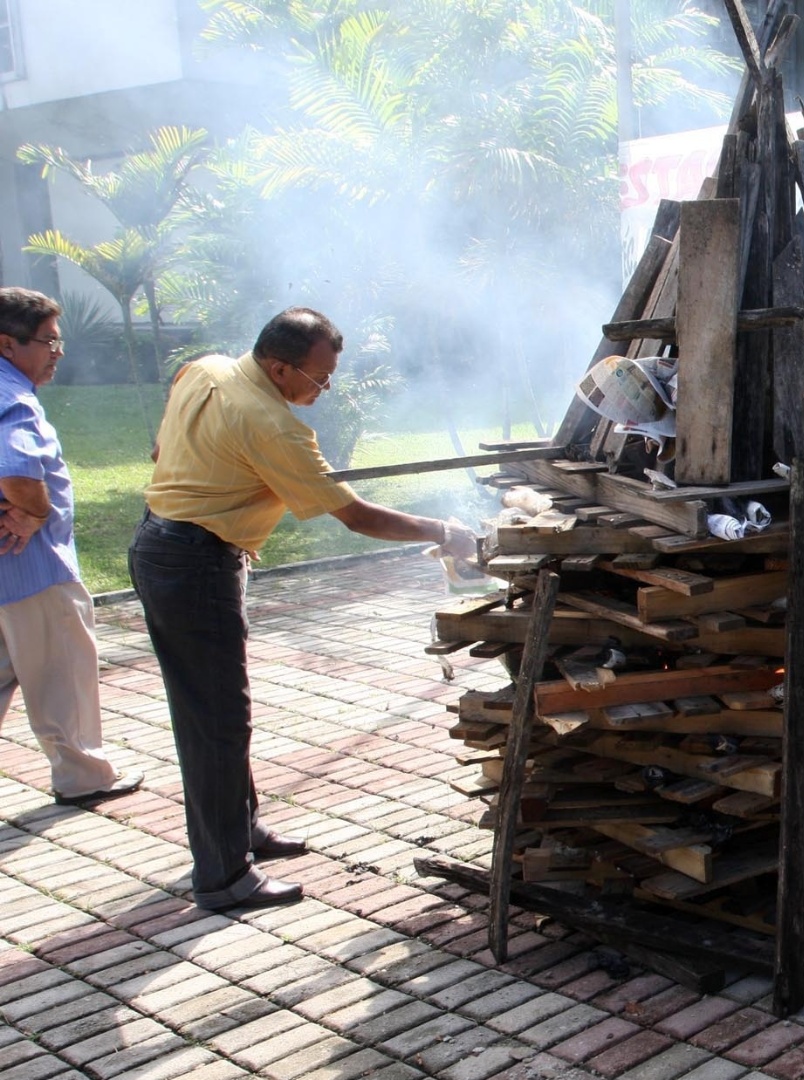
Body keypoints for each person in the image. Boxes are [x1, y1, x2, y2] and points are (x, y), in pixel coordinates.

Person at [130, 308, 477, 913]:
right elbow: (357, 515)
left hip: (166, 545)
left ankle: (242, 833)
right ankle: (222, 877)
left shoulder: (206, 369)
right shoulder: (270, 424)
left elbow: (166, 433)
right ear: (277, 367)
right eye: (318, 378)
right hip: (194, 563)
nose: (325, 389)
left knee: (219, 709)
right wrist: (444, 530)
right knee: (214, 718)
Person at [0, 288, 142, 808]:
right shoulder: (13, 398)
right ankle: (84, 775)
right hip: (33, 570)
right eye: (49, 343)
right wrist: (34, 513)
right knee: (62, 673)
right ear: (7, 345)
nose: (58, 353)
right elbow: (17, 469)